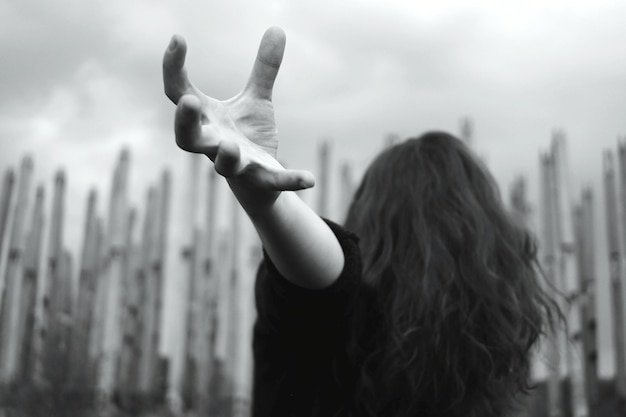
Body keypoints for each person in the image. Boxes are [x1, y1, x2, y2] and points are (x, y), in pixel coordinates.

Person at [163, 27, 562, 417]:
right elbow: (328, 280)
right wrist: (269, 206)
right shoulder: (492, 357)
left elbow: (326, 285)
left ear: (369, 218)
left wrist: (267, 205)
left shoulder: (335, 335)